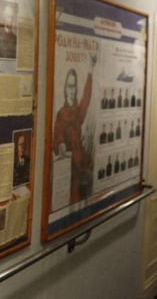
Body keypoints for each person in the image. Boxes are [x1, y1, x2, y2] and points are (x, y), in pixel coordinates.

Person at [51, 52, 97, 204]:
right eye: (69, 86)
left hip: (81, 166)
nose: (72, 90)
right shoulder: (61, 115)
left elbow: (86, 98)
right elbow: (57, 137)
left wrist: (91, 70)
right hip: (69, 172)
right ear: (65, 88)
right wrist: (61, 145)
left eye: (74, 86)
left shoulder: (78, 113)